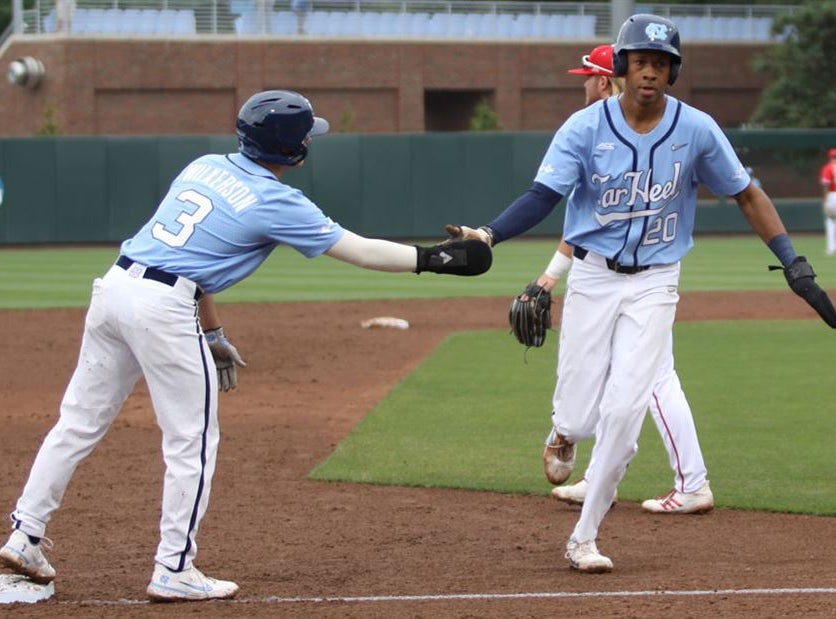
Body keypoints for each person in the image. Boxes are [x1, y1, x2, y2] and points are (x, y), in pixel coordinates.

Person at [0, 90, 489, 601]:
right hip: (162, 308)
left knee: (77, 422)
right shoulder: (277, 201)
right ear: (294, 149)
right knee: (192, 440)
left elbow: (193, 258)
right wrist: (438, 260)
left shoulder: (205, 164)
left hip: (115, 289)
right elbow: (361, 251)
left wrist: (211, 333)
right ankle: (174, 568)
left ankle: (24, 535)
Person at [447, 14, 836, 573]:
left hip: (656, 280)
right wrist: (489, 233)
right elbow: (542, 196)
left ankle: (585, 537)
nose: (649, 72)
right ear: (622, 69)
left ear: (672, 71)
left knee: (627, 412)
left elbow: (747, 194)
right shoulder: (584, 127)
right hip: (595, 276)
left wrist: (793, 263)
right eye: (640, 62)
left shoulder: (697, 129)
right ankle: (564, 431)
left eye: (660, 63)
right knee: (582, 417)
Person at [540, 44, 713, 514]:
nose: (584, 84)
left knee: (654, 378)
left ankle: (692, 482)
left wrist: (551, 276)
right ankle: (601, 478)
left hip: (649, 275)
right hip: (614, 276)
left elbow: (589, 224)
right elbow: (588, 223)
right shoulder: (597, 127)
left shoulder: (608, 125)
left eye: (587, 76)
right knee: (628, 380)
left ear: (603, 79)